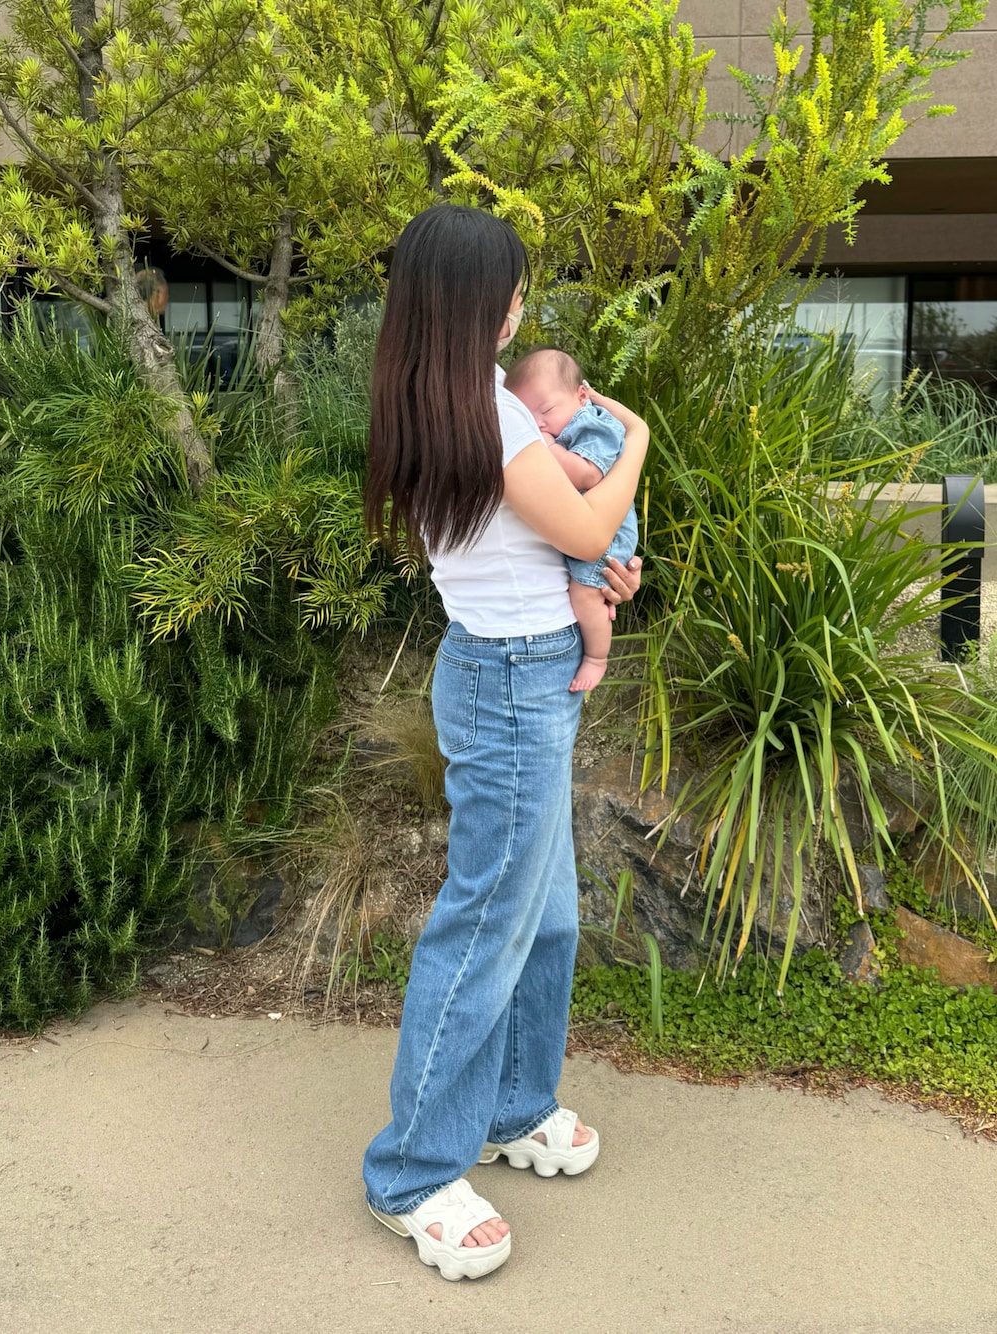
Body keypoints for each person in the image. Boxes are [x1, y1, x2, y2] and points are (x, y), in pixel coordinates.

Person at [362, 204, 647, 1282]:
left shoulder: (443, 397)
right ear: (483, 302)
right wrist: (638, 444)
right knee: (486, 922)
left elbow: (554, 548)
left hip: (518, 670)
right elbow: (586, 522)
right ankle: (411, 1171)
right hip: (510, 682)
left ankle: (512, 1105)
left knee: (547, 911)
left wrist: (598, 577)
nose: (524, 308)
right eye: (516, 291)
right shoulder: (488, 417)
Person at [504, 347, 638, 692]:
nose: (539, 424)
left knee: (584, 593)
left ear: (581, 396)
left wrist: (548, 449)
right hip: (590, 526)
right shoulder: (560, 425)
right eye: (529, 417)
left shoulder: (592, 424)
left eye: (546, 411)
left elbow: (588, 474)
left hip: (610, 533)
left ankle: (597, 656)